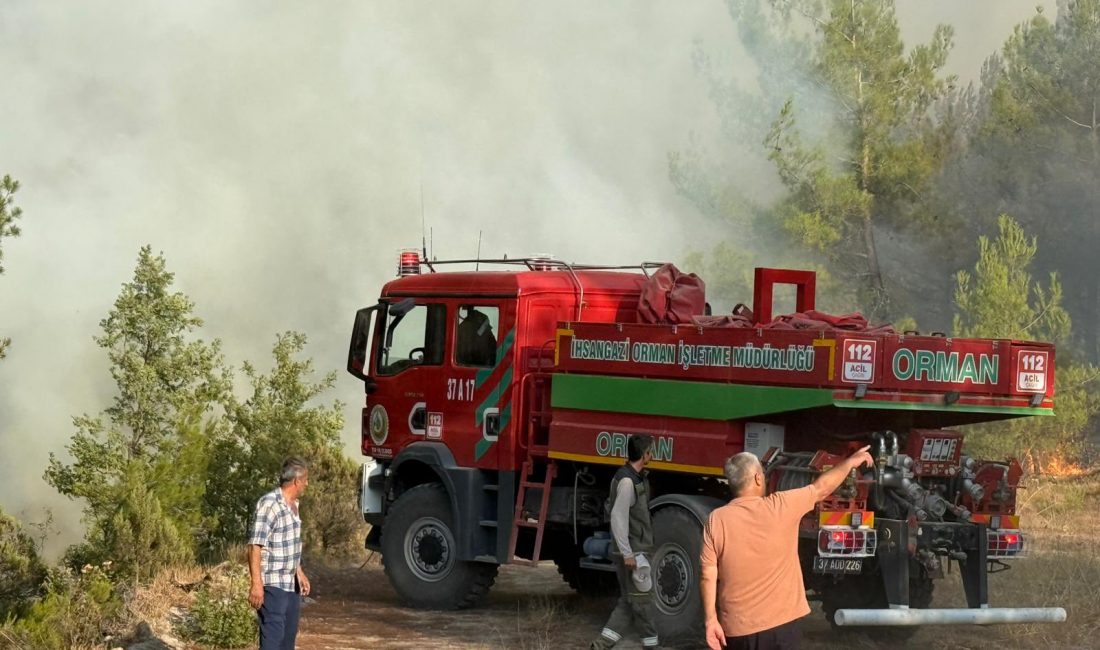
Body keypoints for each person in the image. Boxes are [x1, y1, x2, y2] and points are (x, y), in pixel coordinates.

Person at [700, 446, 874, 650]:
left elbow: (707, 574)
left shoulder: (717, 519)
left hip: (737, 630)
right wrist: (851, 462)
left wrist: (711, 620)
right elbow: (822, 487)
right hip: (782, 628)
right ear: (758, 478)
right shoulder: (782, 506)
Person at [590, 434, 661, 650]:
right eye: (650, 451)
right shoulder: (628, 482)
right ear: (645, 454)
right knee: (641, 601)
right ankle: (651, 645)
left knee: (629, 601)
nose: (652, 455)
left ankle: (600, 645)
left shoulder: (631, 478)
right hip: (634, 553)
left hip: (634, 550)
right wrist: (628, 553)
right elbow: (618, 517)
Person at [248, 457, 313, 650]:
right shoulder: (270, 504)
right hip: (273, 584)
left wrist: (299, 572)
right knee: (272, 641)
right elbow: (255, 545)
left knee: (287, 642)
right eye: (305, 480)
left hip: (291, 585)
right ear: (296, 481)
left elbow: (289, 544)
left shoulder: (294, 506)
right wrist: (256, 584)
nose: (307, 484)